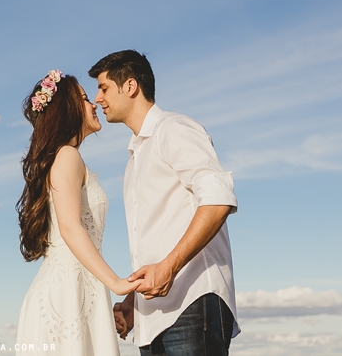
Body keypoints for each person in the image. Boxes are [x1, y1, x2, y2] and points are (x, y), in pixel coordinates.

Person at [89, 50, 239, 356]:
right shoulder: (135, 155)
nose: (97, 99)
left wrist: (169, 267)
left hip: (192, 302)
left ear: (130, 86)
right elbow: (155, 235)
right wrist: (133, 302)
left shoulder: (174, 129)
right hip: (152, 315)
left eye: (103, 88)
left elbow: (218, 198)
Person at [16, 70, 140, 355]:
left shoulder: (65, 158)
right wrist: (117, 283)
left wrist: (100, 309)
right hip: (63, 294)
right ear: (68, 109)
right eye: (85, 99)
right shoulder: (67, 156)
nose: (94, 103)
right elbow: (71, 228)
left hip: (76, 290)